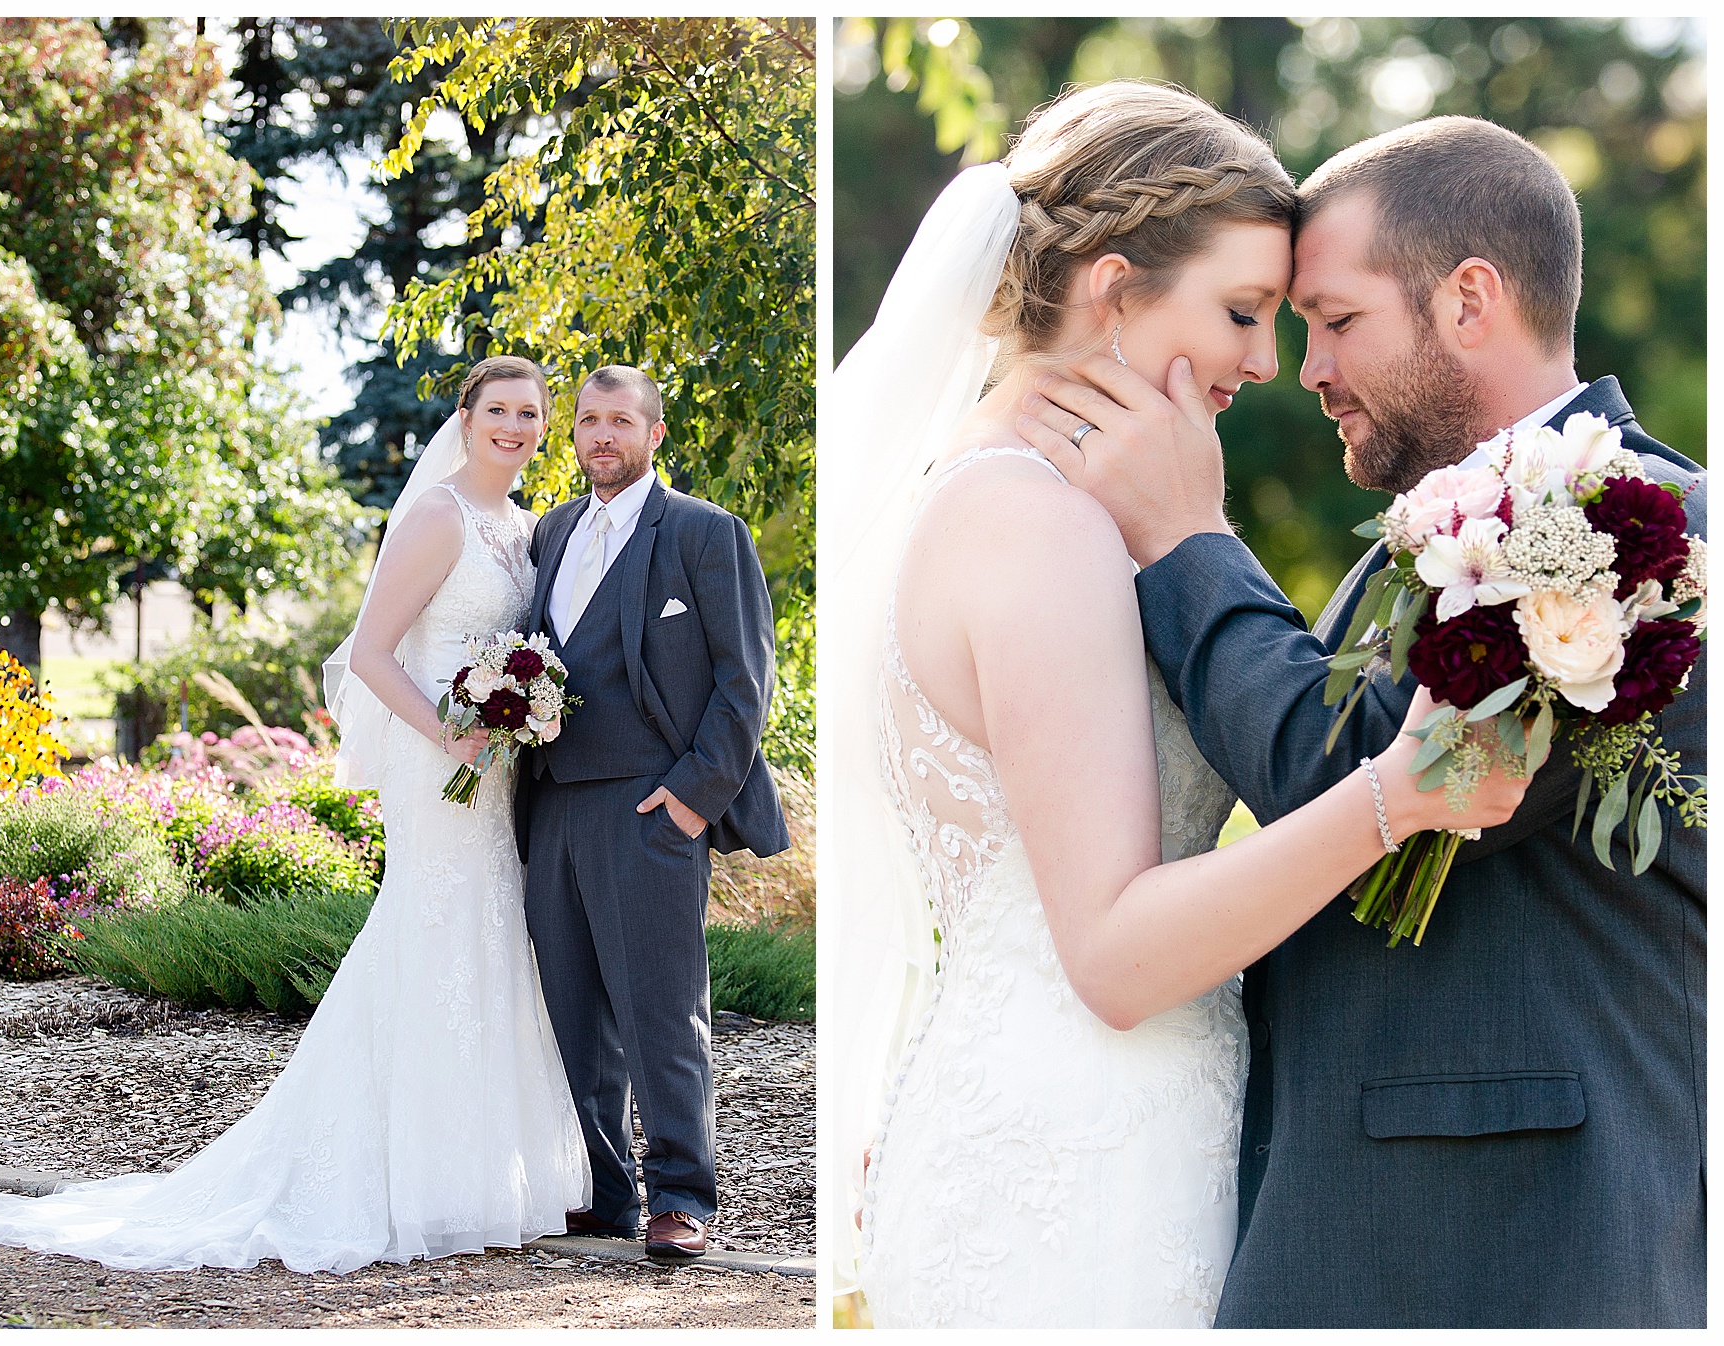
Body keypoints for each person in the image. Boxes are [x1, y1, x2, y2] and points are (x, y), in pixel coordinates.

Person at [828, 83, 1528, 1328]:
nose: (1268, 363)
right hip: (1074, 1168)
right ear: (1113, 290)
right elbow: (1111, 951)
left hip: (1111, 1129)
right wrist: (1394, 794)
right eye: (1244, 313)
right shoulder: (1029, 523)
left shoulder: (1058, 505)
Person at [1022, 116, 1705, 1327]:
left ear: (1470, 298)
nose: (1308, 366)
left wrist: (1188, 537)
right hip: (1368, 1213)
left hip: (1513, 1240)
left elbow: (1352, 774)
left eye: (1337, 320)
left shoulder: (1639, 528)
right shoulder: (1428, 536)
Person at [0, 355, 589, 1273]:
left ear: (546, 428)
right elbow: (373, 656)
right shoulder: (435, 516)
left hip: (494, 773)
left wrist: (517, 709)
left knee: (489, 938)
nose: (514, 425)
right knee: (433, 933)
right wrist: (449, 734)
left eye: (530, 413)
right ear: (464, 418)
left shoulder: (523, 527)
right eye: (497, 408)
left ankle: (475, 1175)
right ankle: (392, 1176)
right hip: (442, 767)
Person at [517, 365, 789, 1263]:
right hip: (553, 805)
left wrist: (690, 799)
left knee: (662, 1013)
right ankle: (606, 1195)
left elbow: (744, 682)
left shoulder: (705, 534)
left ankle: (683, 1194)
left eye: (620, 421)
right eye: (589, 420)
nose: (602, 435)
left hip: (650, 807)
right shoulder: (550, 533)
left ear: (654, 433)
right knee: (574, 1011)